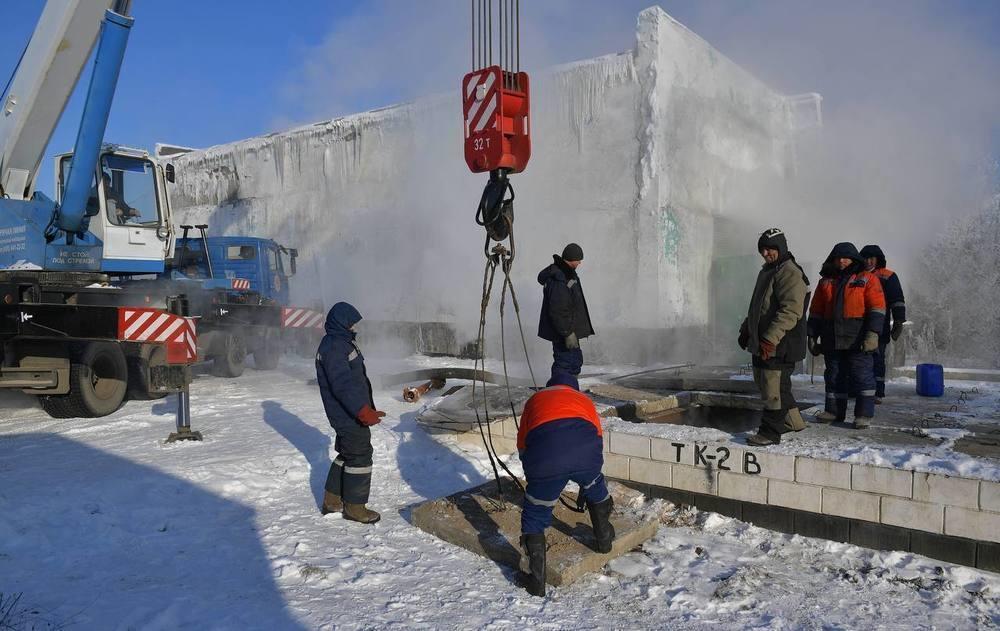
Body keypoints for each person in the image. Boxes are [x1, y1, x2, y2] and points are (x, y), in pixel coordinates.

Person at [517, 373, 614, 597]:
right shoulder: (585, 400)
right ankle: (604, 541)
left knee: (535, 513)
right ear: (573, 387)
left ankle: (536, 582)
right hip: (586, 458)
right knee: (596, 489)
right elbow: (598, 436)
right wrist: (590, 466)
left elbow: (523, 443)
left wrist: (536, 475)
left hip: (546, 462)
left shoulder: (535, 400)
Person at [738, 228, 810, 446]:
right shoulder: (769, 270)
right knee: (768, 382)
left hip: (781, 342)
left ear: (781, 248)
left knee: (773, 388)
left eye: (771, 249)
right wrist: (746, 330)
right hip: (766, 342)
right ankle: (793, 422)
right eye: (763, 250)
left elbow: (791, 311)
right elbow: (758, 308)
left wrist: (770, 339)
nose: (766, 253)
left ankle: (770, 433)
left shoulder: (789, 272)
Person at [316, 302, 384, 524]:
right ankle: (356, 507)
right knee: (360, 454)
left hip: (348, 411)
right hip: (347, 413)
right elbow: (342, 384)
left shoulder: (339, 342)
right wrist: (362, 410)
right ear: (342, 322)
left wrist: (367, 407)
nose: (355, 327)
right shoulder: (336, 346)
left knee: (348, 453)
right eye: (352, 323)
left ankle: (332, 499)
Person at [807, 243, 886, 428]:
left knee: (862, 376)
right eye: (838, 258)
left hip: (858, 339)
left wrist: (873, 334)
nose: (841, 261)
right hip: (832, 338)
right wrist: (811, 335)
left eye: (845, 257)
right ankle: (834, 412)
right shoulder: (825, 282)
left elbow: (877, 308)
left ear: (854, 259)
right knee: (834, 376)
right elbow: (816, 311)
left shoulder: (867, 279)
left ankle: (863, 415)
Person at [537, 243, 595, 379]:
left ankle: (568, 392)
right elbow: (558, 309)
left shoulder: (567, 273)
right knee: (566, 363)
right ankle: (561, 392)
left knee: (574, 362)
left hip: (569, 330)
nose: (580, 262)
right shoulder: (560, 278)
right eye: (578, 259)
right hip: (564, 333)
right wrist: (567, 333)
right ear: (571, 258)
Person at [859, 245, 906, 403]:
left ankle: (877, 392)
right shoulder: (857, 276)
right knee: (859, 359)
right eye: (865, 258)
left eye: (872, 258)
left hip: (880, 326)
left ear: (879, 260)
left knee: (877, 360)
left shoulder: (888, 276)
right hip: (857, 326)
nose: (869, 261)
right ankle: (860, 390)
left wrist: (898, 321)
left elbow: (897, 300)